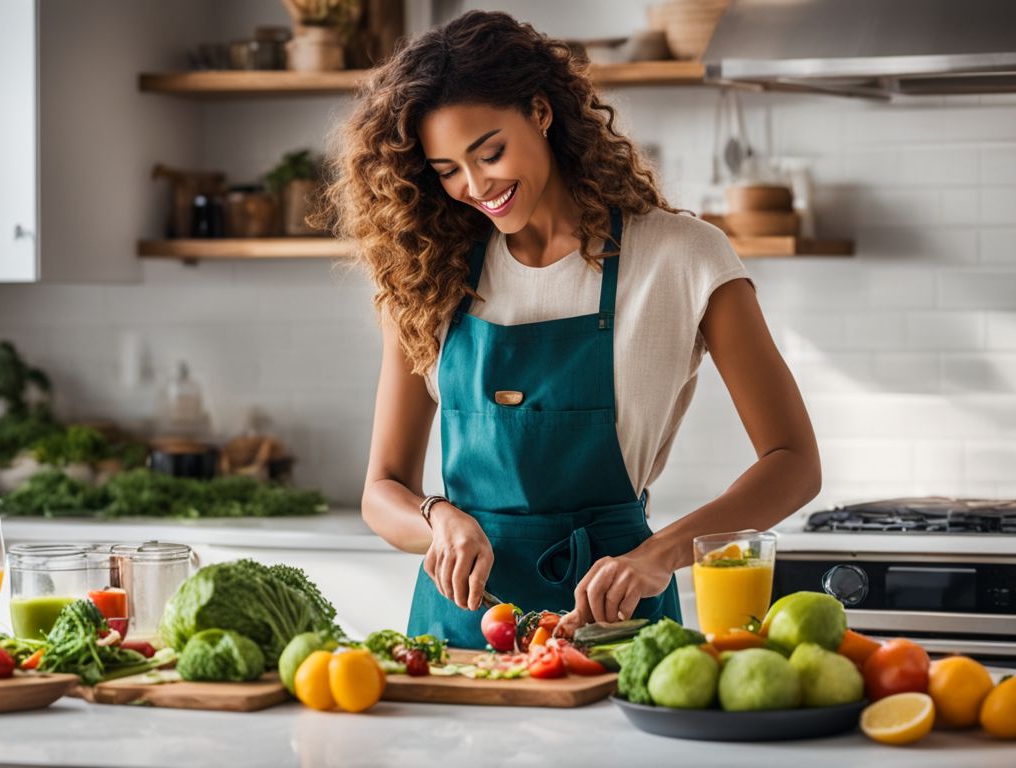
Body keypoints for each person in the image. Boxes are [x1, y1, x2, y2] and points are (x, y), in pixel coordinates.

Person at [317, 10, 821, 648]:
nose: (475, 187)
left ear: (542, 112)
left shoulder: (681, 256)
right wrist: (437, 520)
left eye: (490, 152)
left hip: (617, 628)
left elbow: (794, 463)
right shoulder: (428, 275)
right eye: (447, 170)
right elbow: (382, 489)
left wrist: (659, 554)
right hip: (460, 642)